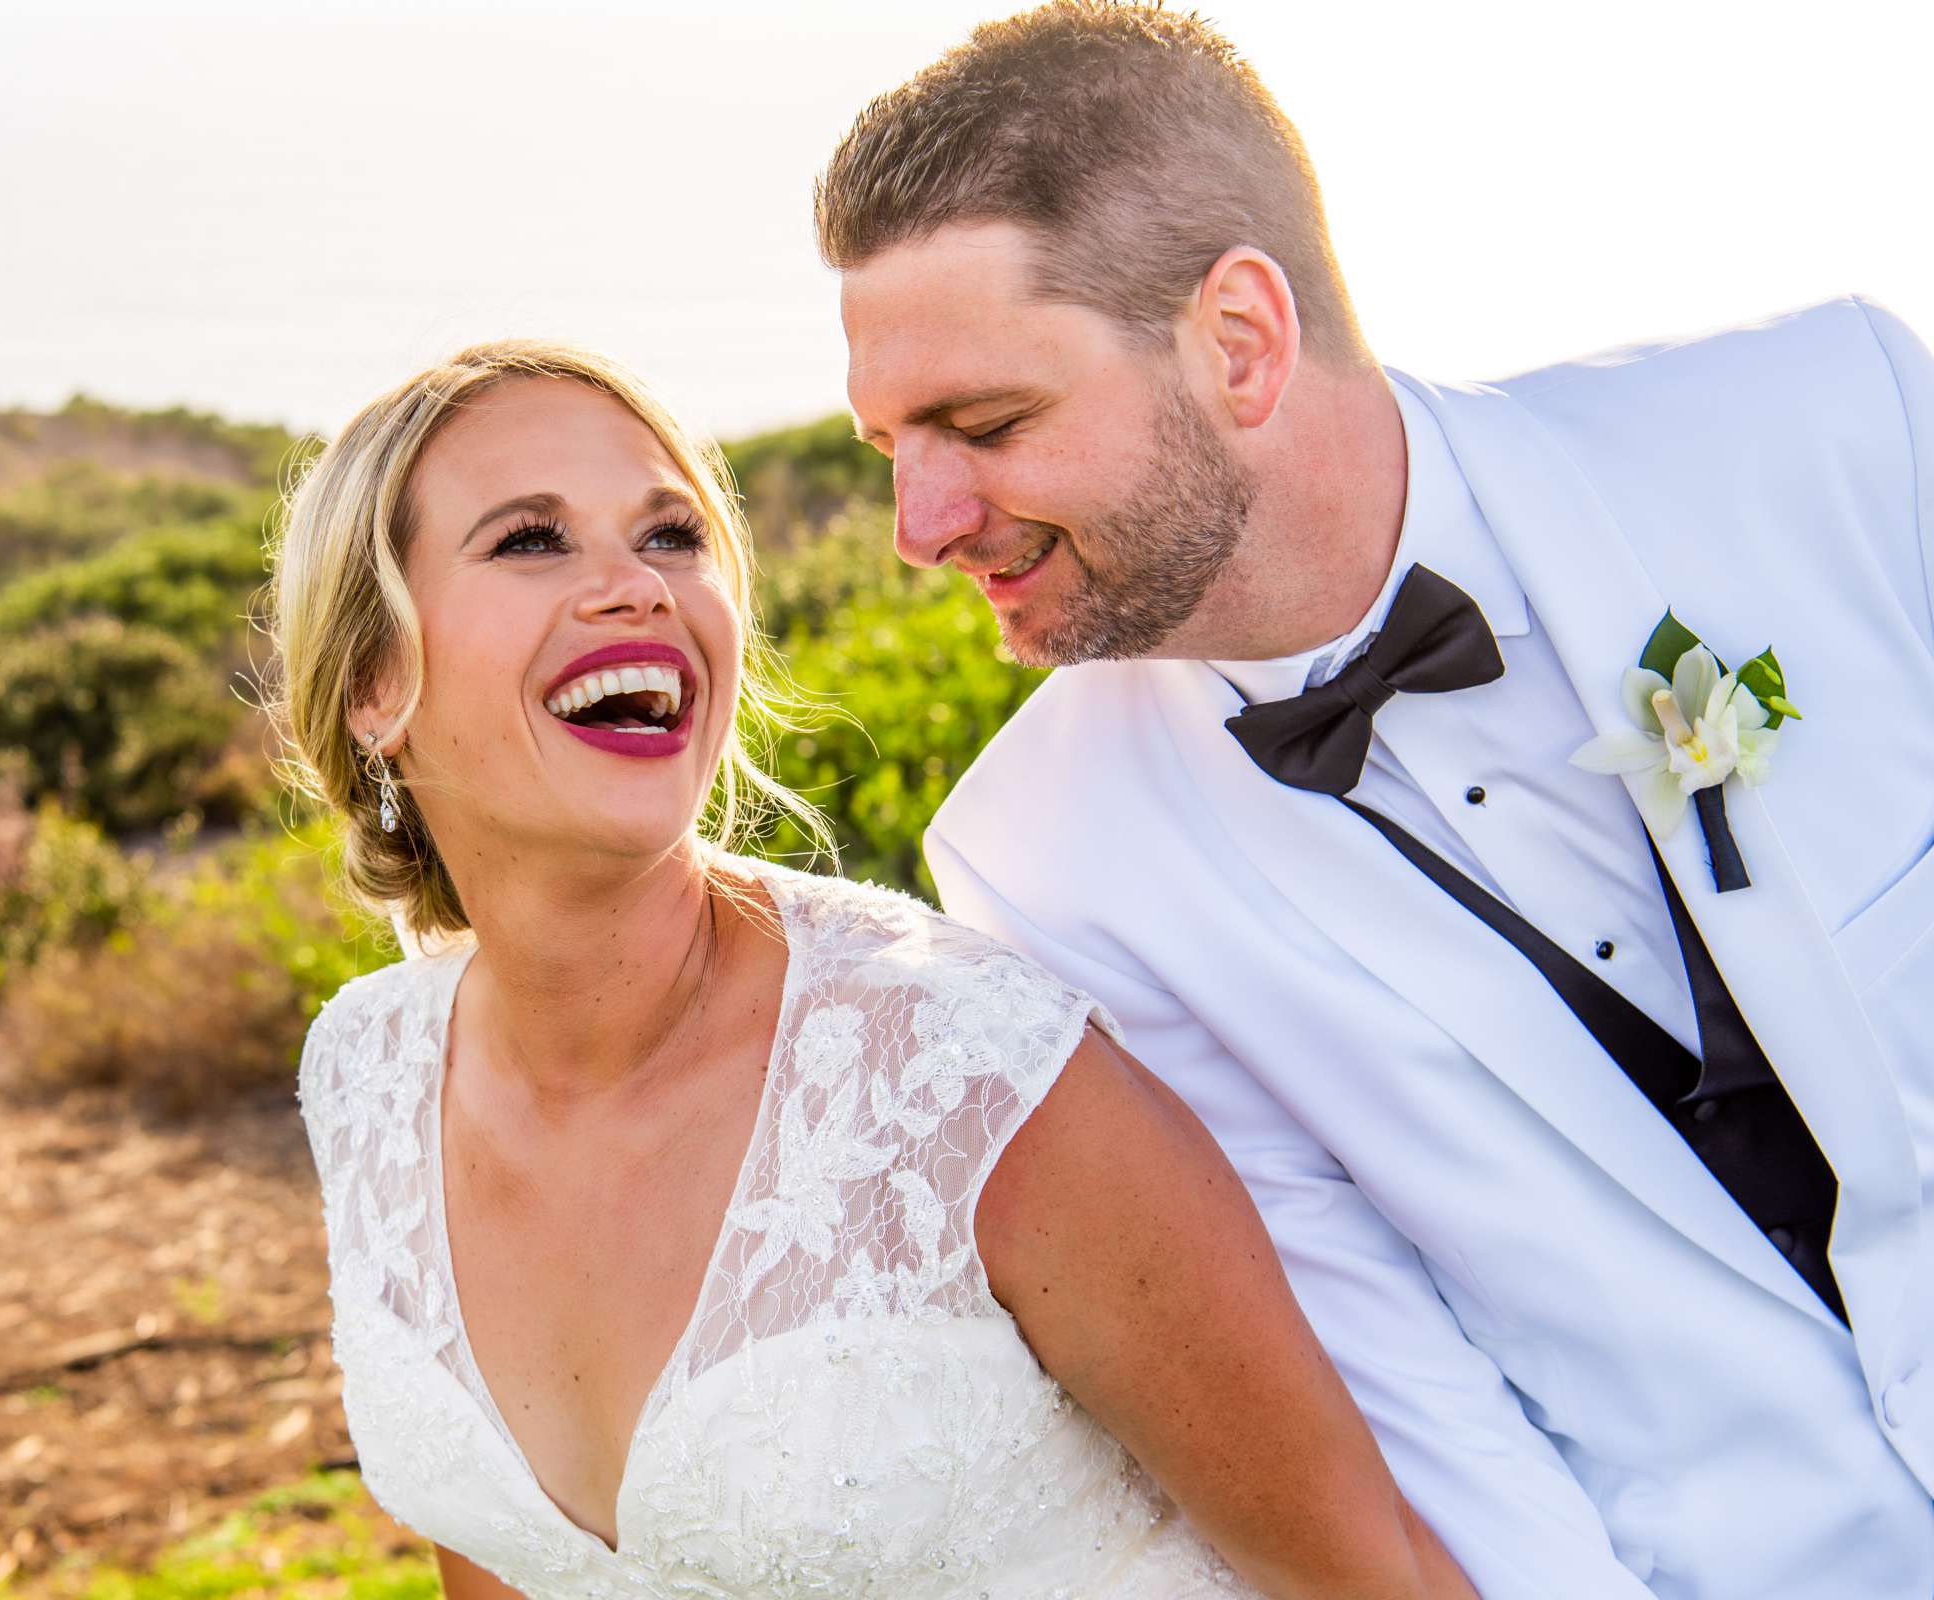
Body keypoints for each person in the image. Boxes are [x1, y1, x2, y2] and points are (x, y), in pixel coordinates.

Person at [819, 5, 1934, 1598]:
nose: (919, 526)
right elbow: (1410, 1408)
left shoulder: (1840, 423)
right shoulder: (1043, 864)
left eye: (986, 427)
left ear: (1242, 341)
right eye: (885, 448)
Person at [274, 339, 1474, 1599]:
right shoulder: (368, 1076)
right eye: (530, 540)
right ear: (373, 680)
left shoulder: (967, 1074)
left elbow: (1374, 1572)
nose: (635, 586)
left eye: (673, 535)